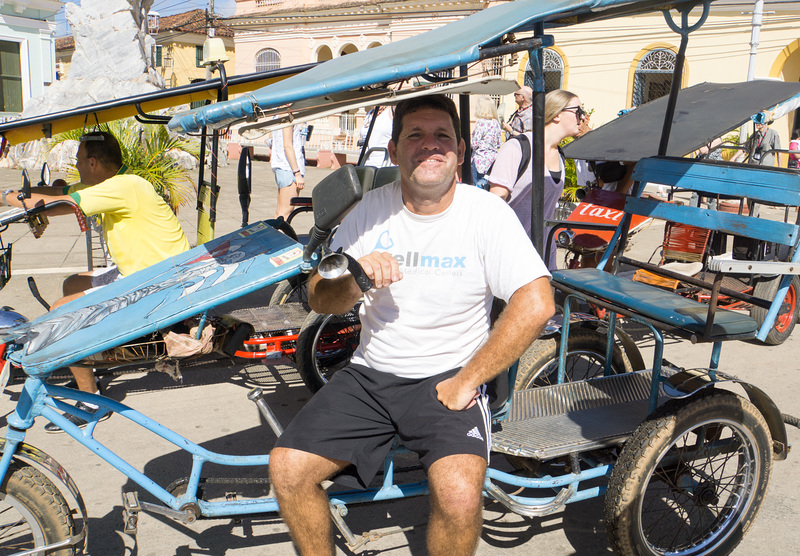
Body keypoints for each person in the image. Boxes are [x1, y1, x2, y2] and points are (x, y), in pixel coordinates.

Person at [268, 95, 554, 556]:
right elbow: (318, 296)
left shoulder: (486, 213)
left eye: (442, 136)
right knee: (287, 469)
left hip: (449, 377)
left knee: (459, 497)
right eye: (415, 136)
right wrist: (356, 276)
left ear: (461, 150)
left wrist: (469, 380)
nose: (429, 146)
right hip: (370, 374)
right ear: (395, 150)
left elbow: (536, 302)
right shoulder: (368, 211)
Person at [2, 130, 191, 431]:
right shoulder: (113, 182)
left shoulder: (124, 187)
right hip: (147, 272)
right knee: (73, 286)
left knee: (63, 314)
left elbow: (65, 203)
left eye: (77, 161)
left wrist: (7, 197)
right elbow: (57, 194)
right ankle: (90, 359)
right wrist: (31, 192)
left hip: (158, 284)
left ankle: (91, 401)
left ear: (92, 163)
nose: (75, 167)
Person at [487, 89, 585, 270]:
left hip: (544, 254)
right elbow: (495, 203)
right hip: (512, 254)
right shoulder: (518, 148)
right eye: (578, 112)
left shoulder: (561, 155)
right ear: (557, 115)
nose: (583, 118)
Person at [271, 124, 306, 219]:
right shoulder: (287, 119)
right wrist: (297, 173)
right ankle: (281, 234)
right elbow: (287, 146)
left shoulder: (278, 116)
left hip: (282, 167)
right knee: (285, 214)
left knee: (280, 212)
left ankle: (275, 233)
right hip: (289, 169)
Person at [470, 95, 501, 189]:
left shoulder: (481, 123)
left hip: (480, 160)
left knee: (477, 188)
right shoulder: (496, 123)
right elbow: (499, 143)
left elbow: (474, 143)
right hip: (492, 161)